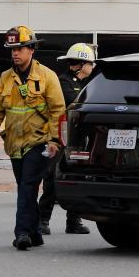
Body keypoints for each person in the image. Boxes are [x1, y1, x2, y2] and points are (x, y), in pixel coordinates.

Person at [0, 26, 66, 251]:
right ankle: (36, 233)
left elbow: (58, 111)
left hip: (39, 143)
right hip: (14, 144)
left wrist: (54, 140)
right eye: (12, 49)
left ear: (31, 49)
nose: (15, 53)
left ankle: (22, 233)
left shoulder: (47, 76)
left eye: (19, 48)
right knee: (25, 187)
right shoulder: (5, 78)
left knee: (28, 186)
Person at [38, 43, 97, 236]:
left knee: (76, 178)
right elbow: (76, 103)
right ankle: (42, 220)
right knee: (52, 179)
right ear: (81, 64)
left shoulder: (86, 84)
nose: (92, 67)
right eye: (90, 63)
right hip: (60, 139)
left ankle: (74, 221)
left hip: (79, 139)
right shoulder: (63, 83)